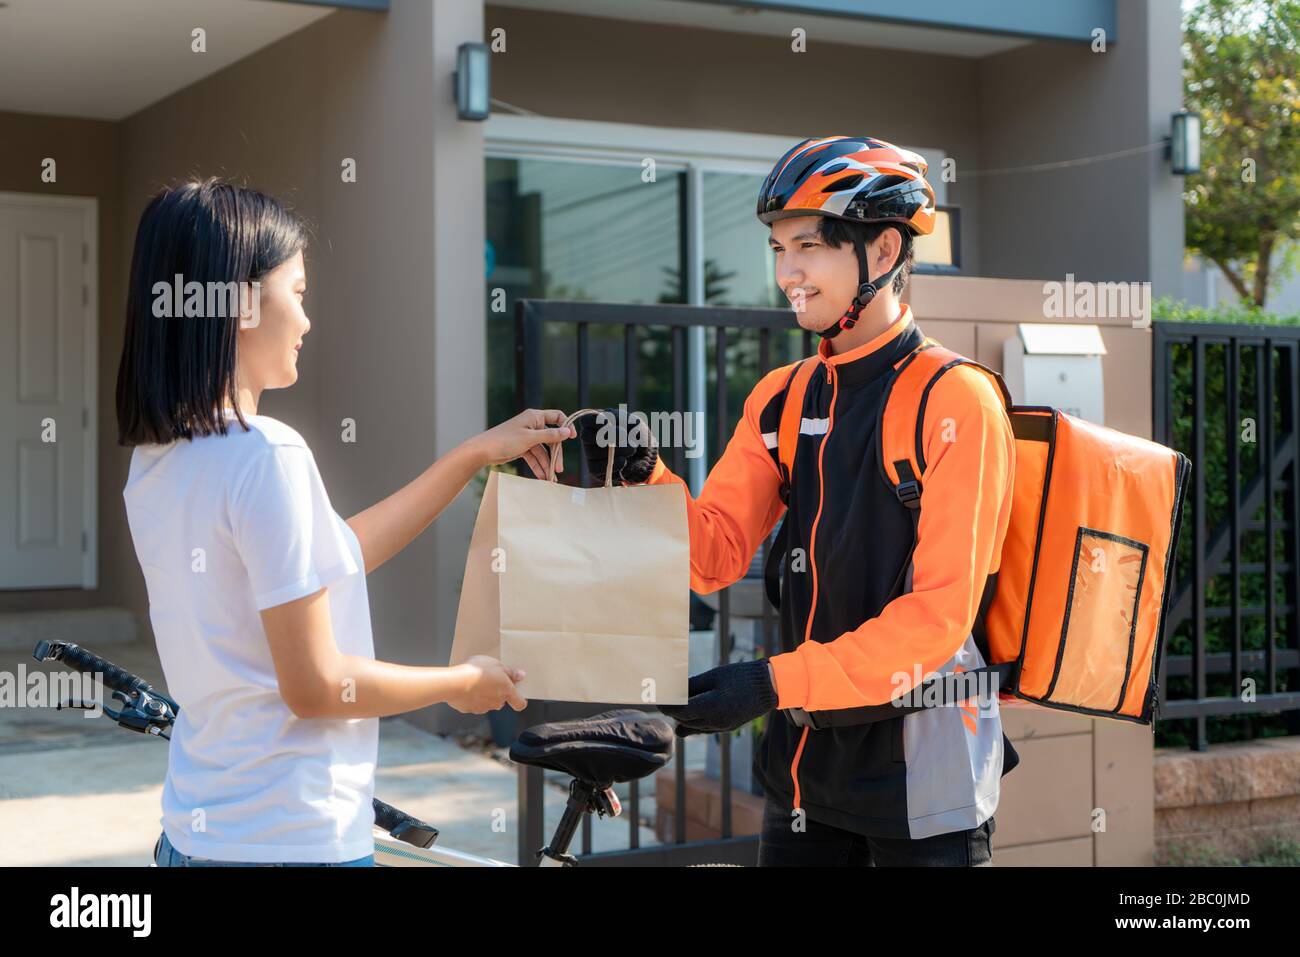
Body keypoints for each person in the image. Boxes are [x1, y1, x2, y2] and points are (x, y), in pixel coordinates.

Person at [581, 136, 1020, 867]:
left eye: (809, 246)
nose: (788, 273)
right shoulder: (781, 397)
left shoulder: (956, 399)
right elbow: (714, 554)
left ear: (882, 252)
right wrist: (642, 471)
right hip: (805, 775)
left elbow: (937, 620)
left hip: (924, 784)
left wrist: (770, 680)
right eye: (779, 249)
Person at [116, 179, 571, 866]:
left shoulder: (159, 462)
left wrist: (476, 452)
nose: (306, 320)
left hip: (197, 835)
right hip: (294, 844)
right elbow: (318, 686)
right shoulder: (265, 453)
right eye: (296, 293)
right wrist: (460, 682)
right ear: (240, 303)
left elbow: (332, 555)